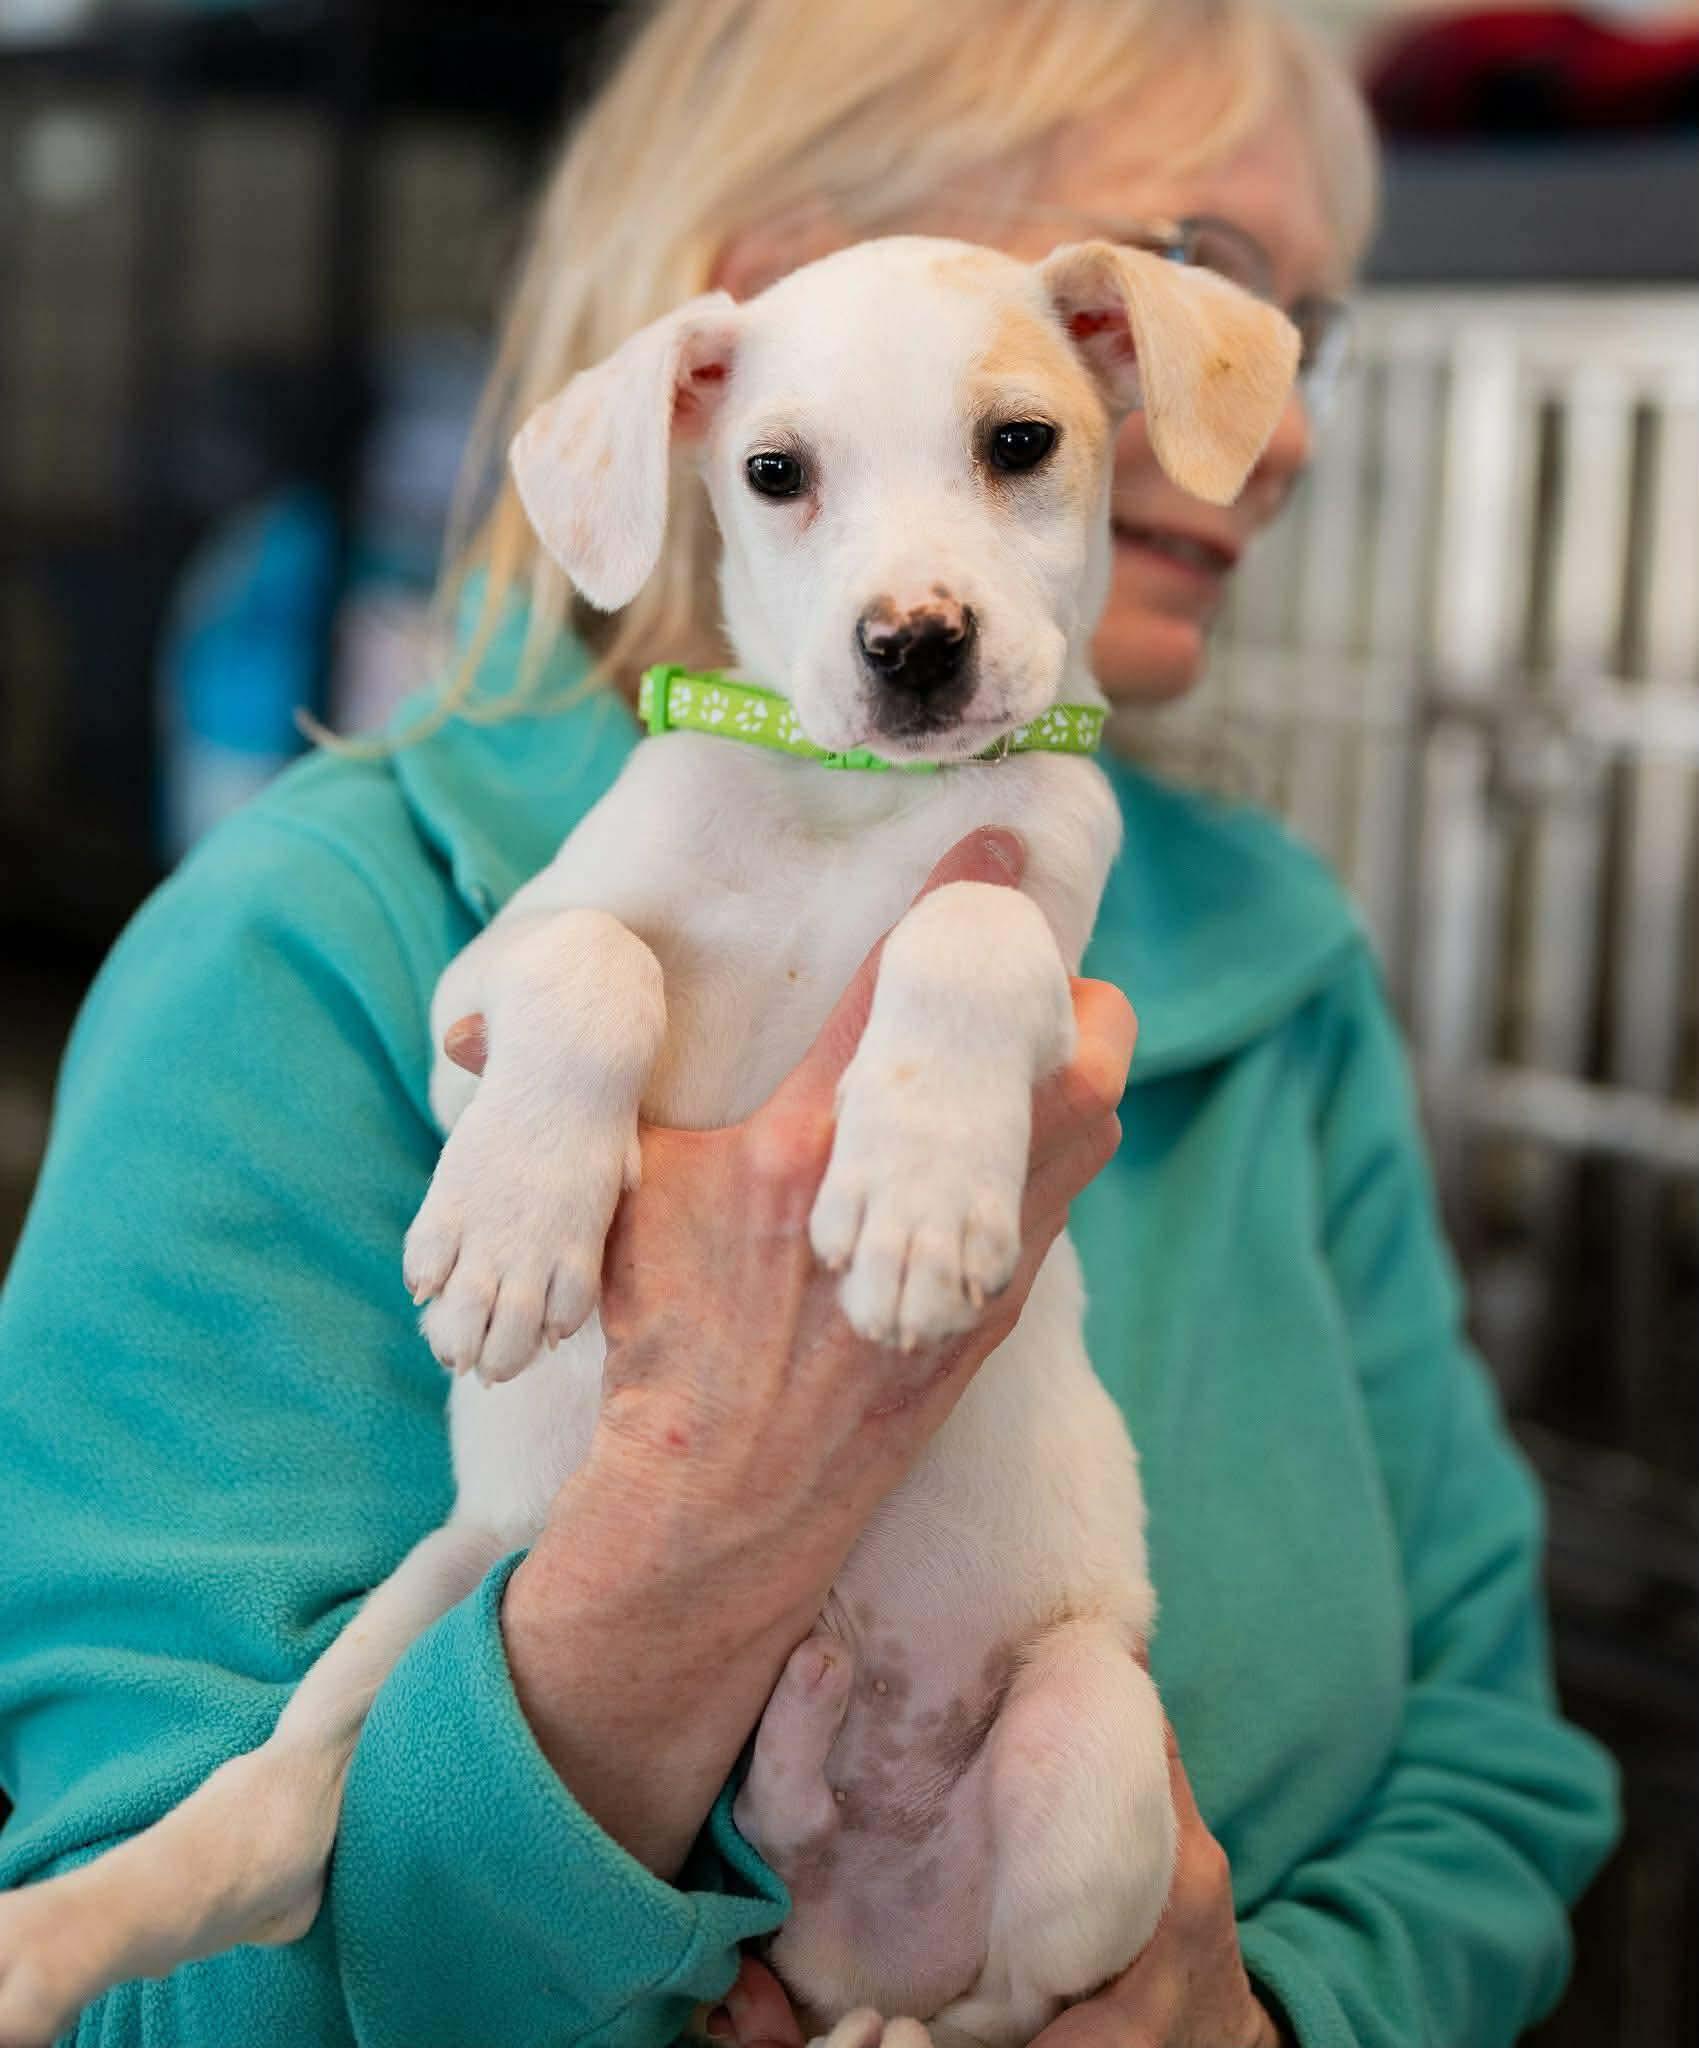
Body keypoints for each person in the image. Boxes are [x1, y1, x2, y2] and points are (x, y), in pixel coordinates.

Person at [0, 3, 1618, 2045]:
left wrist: (1270, 2017)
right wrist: (696, 1524)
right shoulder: (300, 949)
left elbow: (1495, 1771)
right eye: (1202, 267)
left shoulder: (1280, 949)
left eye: (1311, 323)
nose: (1270, 414)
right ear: (771, 300)